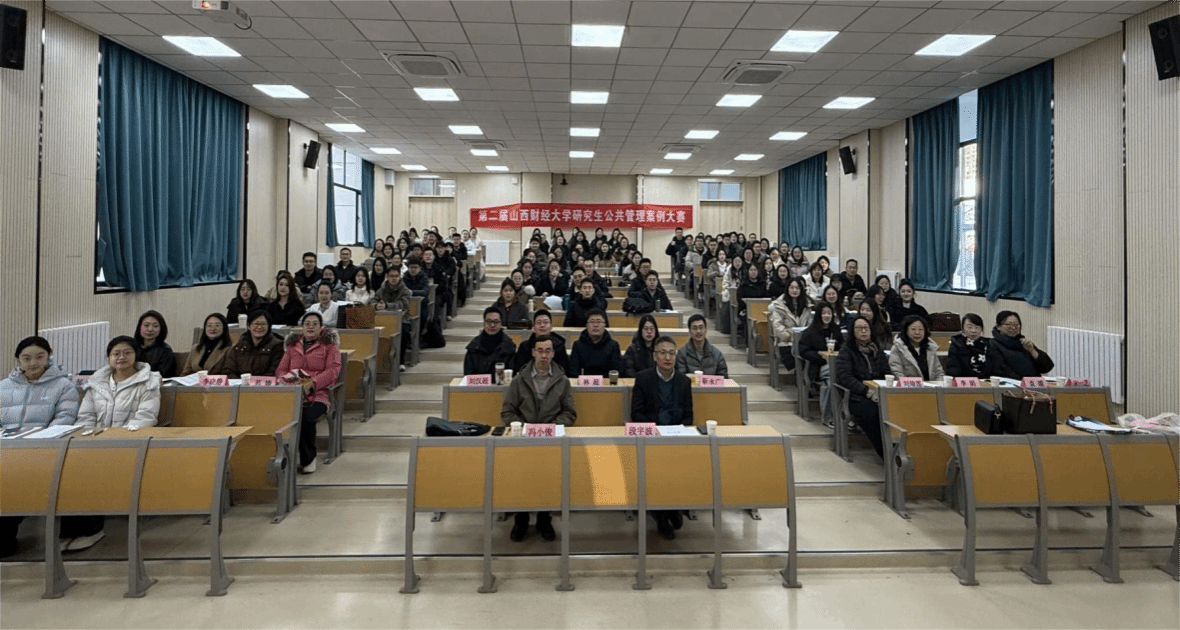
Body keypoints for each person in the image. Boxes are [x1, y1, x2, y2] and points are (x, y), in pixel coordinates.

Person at [69, 335, 162, 551]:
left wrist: (117, 439)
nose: (121, 357)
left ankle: (91, 530)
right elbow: (86, 416)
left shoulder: (148, 383)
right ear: (109, 358)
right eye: (116, 353)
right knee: (71, 467)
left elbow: (146, 418)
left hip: (129, 444)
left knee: (90, 471)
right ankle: (70, 531)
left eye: (127, 353)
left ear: (136, 355)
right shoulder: (97, 383)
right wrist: (88, 438)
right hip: (95, 443)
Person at [1, 337, 80, 556]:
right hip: (7, 450)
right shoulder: (4, 387)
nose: (33, 363)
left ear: (49, 356)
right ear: (18, 359)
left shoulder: (63, 386)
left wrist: (40, 442)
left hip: (44, 450)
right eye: (26, 358)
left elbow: (65, 418)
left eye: (39, 357)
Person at [501, 335, 576, 542]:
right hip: (523, 440)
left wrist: (552, 427)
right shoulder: (519, 380)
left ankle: (544, 519)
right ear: (533, 352)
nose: (544, 355)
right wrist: (524, 428)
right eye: (540, 351)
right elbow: (507, 411)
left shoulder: (562, 381)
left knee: (547, 479)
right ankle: (521, 520)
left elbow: (569, 413)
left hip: (550, 440)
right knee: (521, 480)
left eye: (548, 351)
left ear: (553, 353)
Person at [630, 335, 693, 540]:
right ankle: (661, 513)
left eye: (671, 353)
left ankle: (672, 506)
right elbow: (636, 414)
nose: (667, 357)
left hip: (675, 439)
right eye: (663, 353)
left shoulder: (684, 381)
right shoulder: (643, 379)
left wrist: (676, 431)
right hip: (651, 439)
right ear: (655, 356)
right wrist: (656, 430)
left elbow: (689, 416)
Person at [277, 312, 341, 474]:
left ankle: (308, 458)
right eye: (307, 324)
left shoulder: (329, 346)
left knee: (304, 416)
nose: (310, 327)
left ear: (321, 328)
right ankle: (281, 457)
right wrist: (287, 380)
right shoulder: (292, 345)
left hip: (317, 395)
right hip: (292, 393)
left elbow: (333, 371)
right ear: (302, 327)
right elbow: (281, 369)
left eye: (314, 324)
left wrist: (311, 384)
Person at [834, 317, 889, 458]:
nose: (863, 331)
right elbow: (846, 377)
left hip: (878, 391)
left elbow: (885, 371)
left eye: (866, 328)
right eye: (859, 328)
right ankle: (887, 454)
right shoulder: (847, 350)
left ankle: (900, 449)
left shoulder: (876, 349)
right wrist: (867, 391)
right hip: (856, 396)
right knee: (873, 413)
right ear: (853, 331)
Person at [797, 303, 843, 424]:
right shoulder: (810, 332)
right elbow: (803, 351)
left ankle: (838, 417)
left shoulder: (836, 330)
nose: (827, 316)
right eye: (824, 313)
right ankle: (829, 418)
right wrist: (821, 358)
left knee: (830, 382)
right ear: (818, 315)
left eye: (829, 313)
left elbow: (843, 347)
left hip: (835, 366)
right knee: (832, 375)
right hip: (817, 367)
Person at [216, 310, 284, 378]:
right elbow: (228, 370)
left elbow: (274, 372)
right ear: (249, 326)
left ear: (269, 326)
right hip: (240, 383)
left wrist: (254, 382)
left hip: (264, 383)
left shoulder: (277, 346)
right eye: (256, 324)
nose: (259, 327)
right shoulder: (239, 345)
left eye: (263, 324)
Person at [988, 311, 1054, 378]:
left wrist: (1032, 350)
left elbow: (1047, 367)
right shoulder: (993, 344)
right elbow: (1000, 370)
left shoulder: (1023, 342)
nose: (1013, 328)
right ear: (998, 327)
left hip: (1033, 382)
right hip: (1012, 383)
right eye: (1008, 324)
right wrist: (1023, 381)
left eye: (1016, 324)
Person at [769, 278, 813, 370]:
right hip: (786, 342)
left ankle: (807, 377)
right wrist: (791, 336)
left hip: (803, 341)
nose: (794, 290)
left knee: (812, 355)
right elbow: (777, 326)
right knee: (795, 355)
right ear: (787, 289)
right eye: (792, 288)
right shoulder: (779, 305)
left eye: (797, 288)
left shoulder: (807, 305)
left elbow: (811, 325)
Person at [512, 309, 572, 374]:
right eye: (539, 323)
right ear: (534, 328)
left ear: (551, 327)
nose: (542, 325)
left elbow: (564, 371)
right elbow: (518, 370)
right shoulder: (524, 346)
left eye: (545, 322)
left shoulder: (559, 346)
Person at [464, 306, 516, 378]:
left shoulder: (509, 346)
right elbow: (468, 375)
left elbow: (511, 373)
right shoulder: (474, 346)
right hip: (479, 384)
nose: (492, 325)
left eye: (496, 322)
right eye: (489, 321)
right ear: (484, 323)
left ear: (501, 324)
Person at [889, 315, 945, 381]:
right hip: (908, 386)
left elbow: (939, 372)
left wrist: (939, 384)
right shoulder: (898, 348)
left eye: (921, 329)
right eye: (913, 329)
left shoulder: (930, 347)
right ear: (906, 330)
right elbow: (896, 373)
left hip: (931, 386)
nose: (917, 333)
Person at [569, 309, 623, 377]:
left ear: (605, 325)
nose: (595, 325)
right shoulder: (578, 345)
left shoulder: (613, 345)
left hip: (606, 382)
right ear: (586, 325)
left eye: (599, 322)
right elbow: (573, 371)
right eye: (592, 322)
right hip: (584, 382)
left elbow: (617, 371)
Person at [946, 313, 993, 379]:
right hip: (964, 381)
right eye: (969, 327)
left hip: (986, 381)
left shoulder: (989, 344)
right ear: (963, 328)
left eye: (977, 327)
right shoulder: (957, 344)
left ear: (981, 329)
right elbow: (953, 369)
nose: (973, 331)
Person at [134, 310, 176, 378]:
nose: (150, 329)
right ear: (139, 327)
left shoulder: (165, 351)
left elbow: (164, 375)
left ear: (161, 329)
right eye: (146, 325)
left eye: (155, 326)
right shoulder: (132, 347)